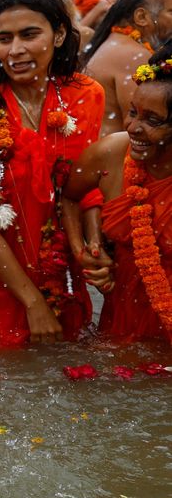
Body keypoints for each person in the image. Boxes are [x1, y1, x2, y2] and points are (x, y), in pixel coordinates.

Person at [0, 0, 104, 346]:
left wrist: (93, 248)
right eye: (4, 39)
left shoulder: (85, 96)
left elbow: (83, 186)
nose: (16, 50)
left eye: (30, 34)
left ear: (59, 35)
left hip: (64, 273)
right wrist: (33, 302)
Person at [64, 46, 172, 342]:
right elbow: (70, 197)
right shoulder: (111, 153)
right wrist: (86, 249)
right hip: (120, 326)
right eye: (133, 113)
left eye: (153, 121)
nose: (134, 128)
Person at [82, 0, 172, 136]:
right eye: (171, 12)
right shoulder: (133, 55)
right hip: (114, 156)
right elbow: (142, 126)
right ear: (142, 17)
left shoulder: (119, 42)